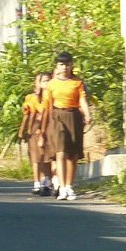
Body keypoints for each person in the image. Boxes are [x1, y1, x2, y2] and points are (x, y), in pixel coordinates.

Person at [41, 52, 90, 201]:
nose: (64, 67)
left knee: (73, 155)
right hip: (57, 117)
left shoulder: (77, 82)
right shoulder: (51, 84)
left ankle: (69, 186)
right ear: (56, 66)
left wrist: (87, 114)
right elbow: (47, 107)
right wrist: (44, 129)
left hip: (74, 116)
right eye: (61, 64)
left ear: (72, 65)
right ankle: (62, 187)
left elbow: (82, 100)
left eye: (67, 64)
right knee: (60, 153)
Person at [20, 72, 54, 196]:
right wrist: (25, 130)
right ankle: (38, 182)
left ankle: (50, 181)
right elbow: (30, 114)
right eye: (44, 81)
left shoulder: (54, 95)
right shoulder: (32, 98)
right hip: (37, 127)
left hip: (52, 125)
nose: (46, 84)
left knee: (49, 156)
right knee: (37, 156)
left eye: (48, 80)